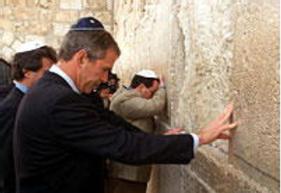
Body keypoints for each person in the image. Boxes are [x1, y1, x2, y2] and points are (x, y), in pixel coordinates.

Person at [13, 17, 237, 193]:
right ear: (82, 58)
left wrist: (163, 139)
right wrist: (200, 138)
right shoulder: (58, 100)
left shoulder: (62, 92)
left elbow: (107, 121)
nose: (104, 79)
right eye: (104, 69)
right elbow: (123, 145)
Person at [0, 40, 57, 193]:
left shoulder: (32, 99)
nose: (51, 79)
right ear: (27, 72)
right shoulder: (11, 107)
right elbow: (6, 163)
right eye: (46, 73)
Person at [109, 69, 166, 193]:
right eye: (152, 92)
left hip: (130, 167)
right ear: (141, 87)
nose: (152, 96)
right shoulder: (126, 101)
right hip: (128, 171)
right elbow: (155, 106)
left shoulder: (126, 94)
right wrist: (161, 88)